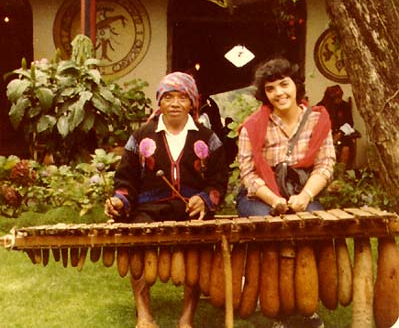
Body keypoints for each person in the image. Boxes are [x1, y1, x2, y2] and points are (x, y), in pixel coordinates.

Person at [104, 72, 228, 328]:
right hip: (148, 207)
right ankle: (144, 314)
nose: (174, 103)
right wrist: (119, 201)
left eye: (182, 97)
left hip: (190, 209)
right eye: (168, 97)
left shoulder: (208, 138)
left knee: (198, 246)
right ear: (159, 102)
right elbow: (125, 180)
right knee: (136, 239)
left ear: (192, 102)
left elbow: (218, 181)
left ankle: (186, 319)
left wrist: (205, 200)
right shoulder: (141, 136)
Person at [236, 57, 336, 328]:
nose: (279, 93)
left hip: (302, 193)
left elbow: (326, 165)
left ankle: (307, 307)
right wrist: (274, 200)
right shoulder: (252, 126)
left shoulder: (318, 120)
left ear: (295, 85)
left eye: (284, 84)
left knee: (311, 229)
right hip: (259, 196)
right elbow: (248, 175)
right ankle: (277, 309)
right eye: (270, 88)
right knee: (275, 232)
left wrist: (305, 197)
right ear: (264, 94)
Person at [318, 85, 360, 168]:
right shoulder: (321, 107)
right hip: (325, 136)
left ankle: (340, 173)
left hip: (342, 135)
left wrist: (340, 133)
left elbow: (350, 123)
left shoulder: (345, 106)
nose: (340, 100)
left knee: (346, 148)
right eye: (337, 98)